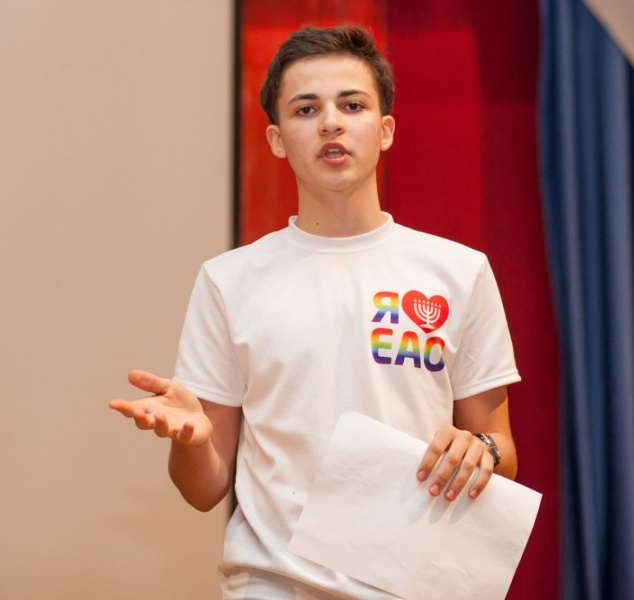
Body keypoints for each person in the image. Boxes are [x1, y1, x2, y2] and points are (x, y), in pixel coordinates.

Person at [110, 25, 520, 599]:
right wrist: (192, 441)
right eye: (306, 109)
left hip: (411, 582)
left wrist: (483, 450)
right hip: (273, 583)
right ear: (277, 140)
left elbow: (501, 451)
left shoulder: (458, 271)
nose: (331, 123)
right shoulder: (229, 280)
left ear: (385, 130)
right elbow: (204, 490)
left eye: (352, 105)